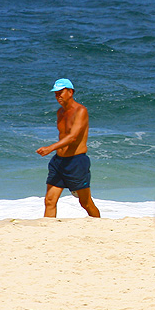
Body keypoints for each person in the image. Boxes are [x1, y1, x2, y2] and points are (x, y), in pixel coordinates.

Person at [36, 78, 101, 218]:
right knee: (49, 200)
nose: (58, 96)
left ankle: (100, 226)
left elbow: (73, 137)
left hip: (76, 162)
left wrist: (50, 148)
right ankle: (49, 230)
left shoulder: (81, 111)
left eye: (61, 92)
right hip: (59, 162)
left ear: (70, 92)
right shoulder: (60, 112)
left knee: (85, 202)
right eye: (56, 93)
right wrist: (54, 151)